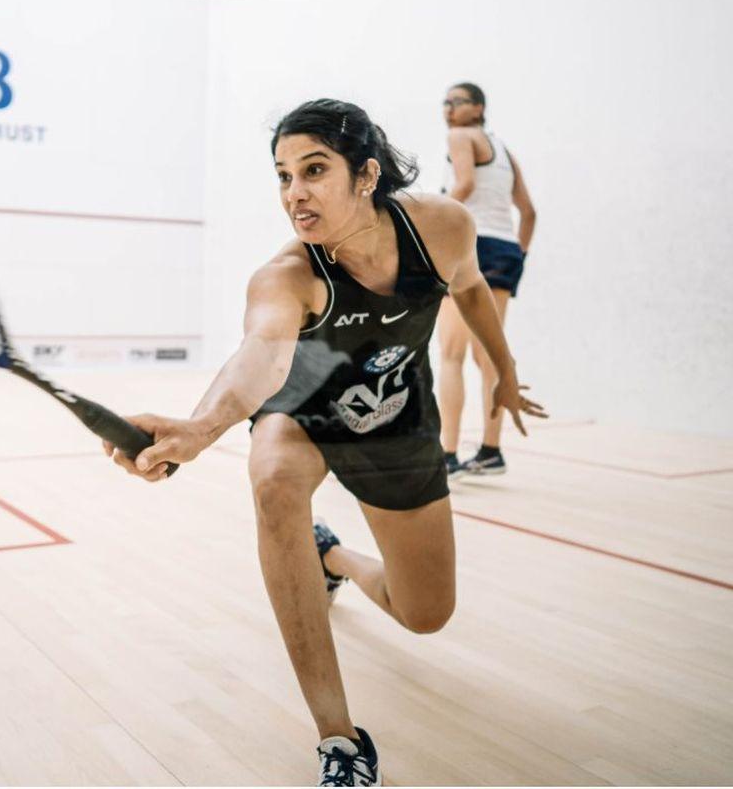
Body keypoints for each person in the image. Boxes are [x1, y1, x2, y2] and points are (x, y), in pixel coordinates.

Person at [102, 99, 545, 786]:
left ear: (366, 174)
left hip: (396, 418)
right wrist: (199, 428)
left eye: (313, 170)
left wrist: (506, 372)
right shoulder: (286, 275)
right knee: (273, 479)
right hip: (303, 404)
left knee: (424, 614)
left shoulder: (442, 226)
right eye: (282, 176)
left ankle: (329, 552)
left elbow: (473, 288)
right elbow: (260, 354)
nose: (294, 193)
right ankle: (339, 738)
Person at [437, 83, 537, 478]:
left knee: (450, 353)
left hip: (472, 246)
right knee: (489, 354)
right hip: (505, 251)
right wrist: (518, 260)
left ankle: (447, 455)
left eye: (457, 102)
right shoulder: (504, 153)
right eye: (444, 102)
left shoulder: (460, 136)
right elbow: (529, 213)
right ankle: (491, 451)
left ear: (478, 107)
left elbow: (464, 186)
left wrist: (426, 219)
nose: (448, 109)